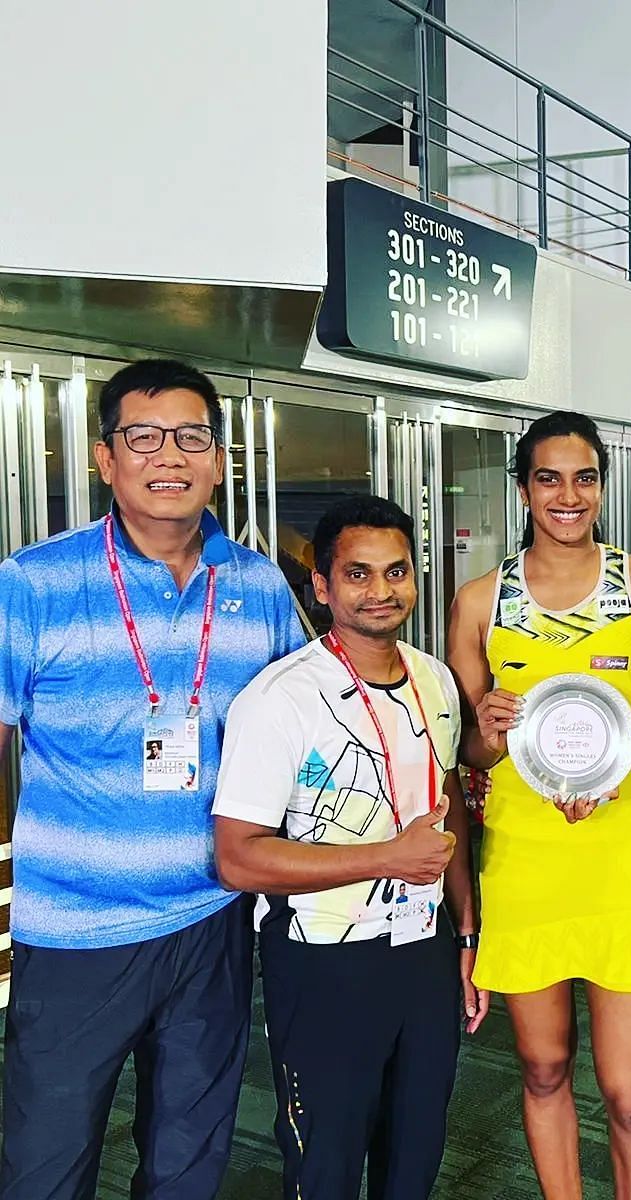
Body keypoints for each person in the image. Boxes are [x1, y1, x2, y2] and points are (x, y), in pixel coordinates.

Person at [0, 359, 306, 1199]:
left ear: (218, 459)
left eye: (192, 437)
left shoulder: (258, 584)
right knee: (45, 1160)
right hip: (75, 932)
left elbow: (305, 726)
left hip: (212, 917)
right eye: (143, 436)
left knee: (188, 1157)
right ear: (106, 459)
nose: (168, 455)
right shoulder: (34, 584)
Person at [447, 410, 631, 1200]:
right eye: (548, 478)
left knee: (629, 1094)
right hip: (525, 862)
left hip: (619, 863)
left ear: (600, 485)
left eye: (584, 477)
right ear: (523, 489)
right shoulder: (480, 602)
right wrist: (486, 733)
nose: (568, 494)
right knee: (544, 1066)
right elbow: (471, 755)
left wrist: (608, 764)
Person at [212, 495, 483, 1199]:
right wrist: (383, 858)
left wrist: (467, 933)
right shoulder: (281, 698)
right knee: (326, 1159)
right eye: (358, 575)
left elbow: (446, 803)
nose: (381, 592)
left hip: (422, 947)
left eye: (396, 572)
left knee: (416, 1148)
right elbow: (238, 857)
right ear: (323, 587)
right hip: (322, 960)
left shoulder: (434, 679)